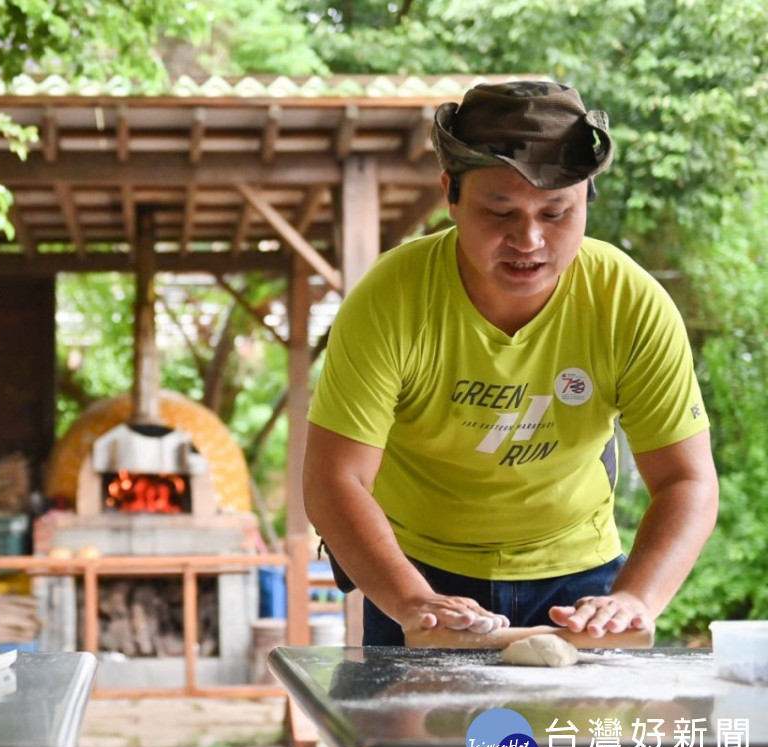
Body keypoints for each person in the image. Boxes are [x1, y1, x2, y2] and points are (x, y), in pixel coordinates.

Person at [304, 80, 719, 652]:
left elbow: (687, 480)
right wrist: (411, 601)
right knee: (431, 744)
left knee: (574, 743)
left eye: (556, 212)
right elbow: (334, 479)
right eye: (500, 210)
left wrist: (637, 598)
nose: (528, 239)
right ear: (451, 194)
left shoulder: (629, 302)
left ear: (586, 197)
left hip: (580, 580)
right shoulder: (390, 299)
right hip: (421, 573)